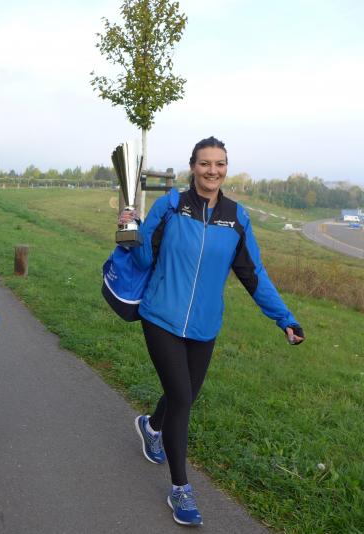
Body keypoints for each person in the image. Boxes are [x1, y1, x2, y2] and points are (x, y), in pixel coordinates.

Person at [121, 136, 304, 527]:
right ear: (193, 167)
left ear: (226, 168)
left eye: (219, 164)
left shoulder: (236, 218)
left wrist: (285, 318)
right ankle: (180, 488)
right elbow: (143, 257)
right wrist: (129, 228)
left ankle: (151, 427)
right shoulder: (171, 206)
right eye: (205, 163)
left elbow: (253, 275)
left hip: (204, 326)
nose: (212, 171)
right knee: (182, 398)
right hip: (161, 316)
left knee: (183, 395)